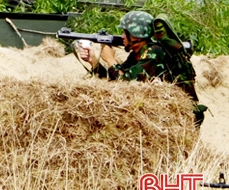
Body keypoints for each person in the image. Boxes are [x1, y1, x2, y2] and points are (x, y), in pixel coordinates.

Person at [78, 10, 206, 126]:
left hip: (178, 118)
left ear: (135, 34)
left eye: (125, 32)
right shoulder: (138, 54)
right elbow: (114, 81)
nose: (122, 36)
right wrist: (94, 62)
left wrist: (111, 60)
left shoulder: (155, 52)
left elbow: (128, 83)